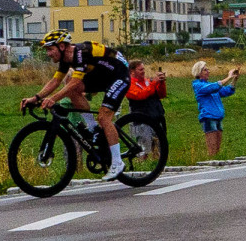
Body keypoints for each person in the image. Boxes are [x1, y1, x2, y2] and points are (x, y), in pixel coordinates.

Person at [20, 30, 130, 181]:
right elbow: (55, 81)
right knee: (71, 88)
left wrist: (53, 99)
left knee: (104, 117)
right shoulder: (65, 59)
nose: (48, 53)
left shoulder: (80, 53)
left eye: (50, 49)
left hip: (119, 75)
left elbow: (76, 81)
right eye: (47, 50)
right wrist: (35, 98)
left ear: (62, 46)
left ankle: (117, 162)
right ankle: (93, 129)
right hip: (103, 75)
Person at [191, 60, 239, 158]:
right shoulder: (198, 85)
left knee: (217, 149)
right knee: (212, 149)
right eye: (205, 70)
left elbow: (227, 91)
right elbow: (213, 87)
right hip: (209, 118)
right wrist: (228, 76)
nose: (208, 71)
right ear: (199, 73)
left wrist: (234, 79)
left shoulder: (210, 85)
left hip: (218, 118)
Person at [126, 60, 167, 131]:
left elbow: (161, 95)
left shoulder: (147, 81)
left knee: (161, 142)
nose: (143, 71)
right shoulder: (129, 85)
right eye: (141, 70)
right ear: (132, 71)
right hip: (142, 122)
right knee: (146, 142)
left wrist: (161, 83)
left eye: (143, 69)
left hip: (157, 118)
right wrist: (154, 83)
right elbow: (140, 95)